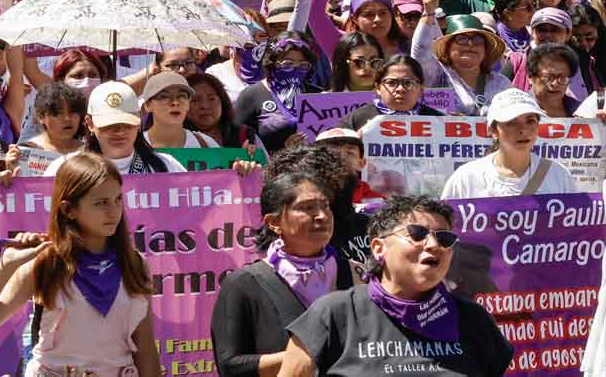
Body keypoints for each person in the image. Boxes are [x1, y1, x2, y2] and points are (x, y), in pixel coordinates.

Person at [278, 195, 513, 377]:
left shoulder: (473, 319)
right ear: (379, 248)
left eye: (444, 238)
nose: (433, 245)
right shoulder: (334, 314)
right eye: (417, 234)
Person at [0, 153, 160, 377]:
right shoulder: (45, 262)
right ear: (68, 210)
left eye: (118, 199)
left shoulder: (135, 263)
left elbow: (146, 347)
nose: (113, 211)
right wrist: (7, 264)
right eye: (101, 203)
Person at [212, 169, 356, 377]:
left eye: (325, 206)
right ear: (273, 223)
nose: (322, 216)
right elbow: (230, 365)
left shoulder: (354, 273)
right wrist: (303, 357)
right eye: (306, 208)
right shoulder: (243, 283)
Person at [442, 89, 578, 198]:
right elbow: (446, 226)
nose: (523, 130)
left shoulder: (558, 175)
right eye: (512, 123)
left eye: (530, 121)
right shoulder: (467, 177)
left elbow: (575, 226)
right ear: (493, 130)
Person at [42, 82, 187, 176]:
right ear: (90, 123)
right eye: (109, 126)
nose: (119, 132)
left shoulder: (167, 166)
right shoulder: (63, 169)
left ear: (138, 122)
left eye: (127, 124)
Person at [413, 0, 512, 115]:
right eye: (461, 39)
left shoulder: (501, 83)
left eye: (477, 39)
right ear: (447, 48)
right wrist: (429, 12)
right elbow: (421, 51)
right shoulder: (438, 76)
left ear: (485, 50)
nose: (470, 44)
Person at [234, 34, 324, 152]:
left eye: (303, 65)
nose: (295, 70)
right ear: (272, 63)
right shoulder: (251, 95)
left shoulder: (317, 94)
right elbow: (237, 144)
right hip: (271, 168)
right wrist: (283, 150)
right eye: (288, 64)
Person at [339, 55, 445, 131]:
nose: (400, 89)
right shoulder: (355, 121)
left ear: (421, 89)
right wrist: (355, 141)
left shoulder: (440, 122)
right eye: (391, 83)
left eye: (408, 83)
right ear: (378, 88)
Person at [141, 71, 220, 148]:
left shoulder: (206, 144)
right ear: (147, 105)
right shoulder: (134, 145)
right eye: (164, 96)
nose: (175, 102)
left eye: (182, 96)